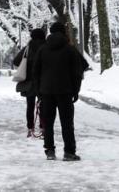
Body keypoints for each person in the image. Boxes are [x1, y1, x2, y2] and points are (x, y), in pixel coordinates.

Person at [33, 21, 85, 161]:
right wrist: (75, 91)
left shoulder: (43, 49)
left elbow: (35, 72)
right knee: (67, 123)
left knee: (48, 124)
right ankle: (69, 152)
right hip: (65, 92)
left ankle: (50, 151)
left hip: (46, 92)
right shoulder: (70, 49)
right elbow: (77, 73)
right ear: (64, 32)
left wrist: (39, 92)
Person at [12, 28, 46, 138]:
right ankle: (43, 127)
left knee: (30, 106)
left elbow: (16, 61)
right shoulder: (46, 47)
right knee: (43, 106)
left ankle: (30, 128)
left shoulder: (27, 48)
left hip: (29, 83)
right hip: (43, 82)